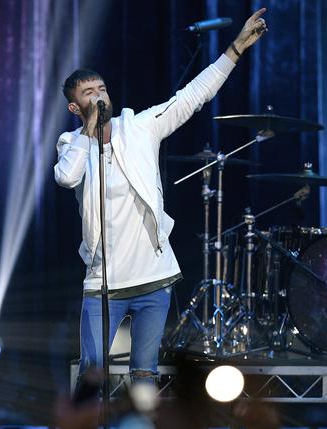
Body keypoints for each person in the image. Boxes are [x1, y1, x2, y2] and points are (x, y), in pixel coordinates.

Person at [54, 9, 268, 385]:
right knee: (92, 375)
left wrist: (234, 50)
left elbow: (191, 97)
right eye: (88, 94)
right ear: (75, 107)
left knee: (143, 376)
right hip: (104, 281)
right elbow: (67, 178)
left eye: (101, 89)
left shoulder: (139, 127)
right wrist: (88, 132)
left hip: (154, 278)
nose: (99, 96)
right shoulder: (72, 144)